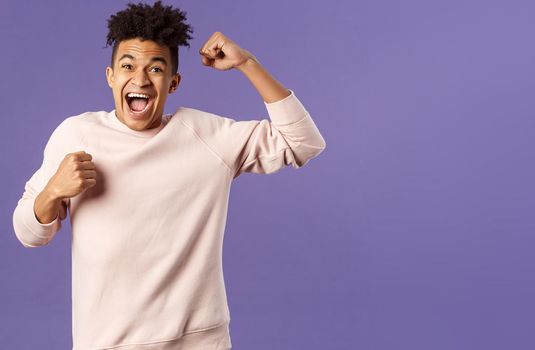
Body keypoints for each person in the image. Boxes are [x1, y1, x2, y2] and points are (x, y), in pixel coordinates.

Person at [11, 1, 326, 349]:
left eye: (156, 69)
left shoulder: (207, 136)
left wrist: (247, 64)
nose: (141, 79)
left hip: (200, 341)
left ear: (173, 83)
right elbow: (29, 233)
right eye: (128, 65)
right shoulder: (76, 135)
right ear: (111, 77)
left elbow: (304, 143)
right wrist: (52, 192)